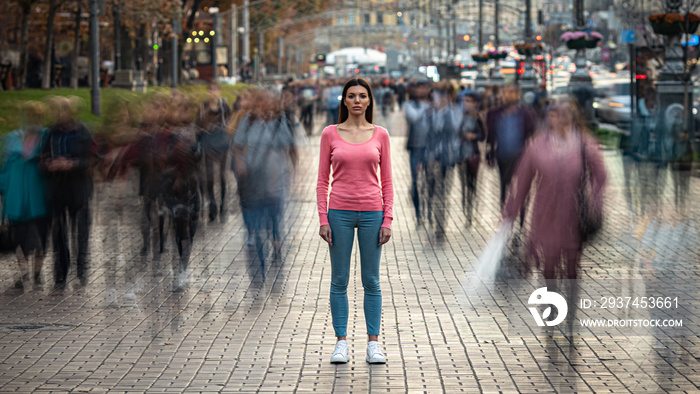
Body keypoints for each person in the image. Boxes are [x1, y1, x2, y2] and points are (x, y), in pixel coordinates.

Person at [317, 78, 393, 364]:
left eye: (363, 96)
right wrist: (323, 218)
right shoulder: (330, 134)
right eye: (352, 96)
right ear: (344, 101)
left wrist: (387, 219)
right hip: (339, 213)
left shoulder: (381, 135)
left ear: (370, 100)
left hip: (373, 212)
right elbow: (322, 180)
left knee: (371, 280)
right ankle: (341, 342)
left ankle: (373, 343)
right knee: (340, 280)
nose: (357, 101)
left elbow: (387, 181)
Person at [503, 102, 606, 281]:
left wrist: (594, 201)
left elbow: (600, 175)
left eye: (563, 114)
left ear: (572, 117)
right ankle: (550, 303)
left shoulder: (584, 143)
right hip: (546, 212)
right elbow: (522, 181)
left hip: (573, 213)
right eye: (554, 115)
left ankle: (570, 306)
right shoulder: (537, 145)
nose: (558, 119)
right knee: (549, 262)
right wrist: (511, 212)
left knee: (572, 263)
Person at [41, 96, 94, 286]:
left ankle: (81, 270)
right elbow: (42, 158)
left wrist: (72, 164)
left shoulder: (82, 132)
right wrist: (48, 164)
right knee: (59, 234)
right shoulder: (50, 133)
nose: (56, 114)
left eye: (59, 110)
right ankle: (61, 272)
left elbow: (92, 159)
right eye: (53, 111)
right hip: (57, 189)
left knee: (80, 232)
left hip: (78, 189)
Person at [0, 102, 50, 288]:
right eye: (28, 115)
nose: (31, 120)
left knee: (40, 238)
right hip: (16, 197)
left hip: (39, 197)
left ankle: (37, 272)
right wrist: (2, 189)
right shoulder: (13, 138)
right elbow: (5, 167)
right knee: (17, 238)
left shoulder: (46, 137)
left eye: (35, 116)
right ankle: (22, 273)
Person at [196, 80, 231, 222]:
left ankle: (223, 204)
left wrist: (223, 128)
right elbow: (198, 124)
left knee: (222, 176)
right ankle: (212, 205)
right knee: (209, 177)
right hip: (209, 144)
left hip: (222, 143)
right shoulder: (203, 106)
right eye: (211, 89)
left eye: (216, 89)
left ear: (219, 91)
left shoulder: (224, 106)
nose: (213, 92)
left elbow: (230, 123)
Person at [458, 92, 485, 225]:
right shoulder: (459, 117)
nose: (465, 104)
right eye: (464, 101)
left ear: (475, 103)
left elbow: (483, 135)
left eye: (468, 101)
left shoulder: (478, 117)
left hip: (474, 154)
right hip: (462, 154)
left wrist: (474, 136)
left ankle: (472, 208)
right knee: (464, 183)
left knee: (472, 183)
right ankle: (466, 209)